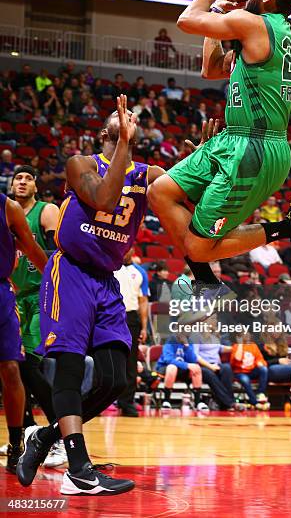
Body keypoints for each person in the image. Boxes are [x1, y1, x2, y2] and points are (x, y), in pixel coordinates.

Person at [148, 0, 291, 306]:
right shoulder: (265, 30)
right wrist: (222, 10)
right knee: (159, 191)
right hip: (233, 139)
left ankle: (290, 228)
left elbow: (187, 20)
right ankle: (205, 279)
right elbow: (211, 69)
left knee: (198, 248)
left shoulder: (258, 26)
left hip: (255, 149)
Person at [16, 96, 164, 495]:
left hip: (107, 279)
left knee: (116, 379)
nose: (128, 116)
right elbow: (104, 198)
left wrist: (205, 152)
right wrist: (126, 148)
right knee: (68, 367)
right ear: (105, 132)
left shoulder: (149, 174)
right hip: (73, 272)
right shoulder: (81, 164)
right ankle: (79, 470)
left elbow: (186, 188)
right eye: (120, 116)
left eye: (131, 115)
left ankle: (46, 437)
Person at [9, 166, 65, 467]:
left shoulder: (46, 211)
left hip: (39, 296)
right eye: (18, 177)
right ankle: (29, 433)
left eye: (28, 178)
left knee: (29, 365)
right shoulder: (6, 214)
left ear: (35, 186)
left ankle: (59, 436)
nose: (22, 181)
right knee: (12, 369)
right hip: (12, 298)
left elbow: (60, 251)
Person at [0, 192, 47, 473]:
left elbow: (31, 247)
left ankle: (16, 442)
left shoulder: (9, 207)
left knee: (10, 369)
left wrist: (56, 281)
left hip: (2, 293)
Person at [114, 247, 148, 416]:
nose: (125, 252)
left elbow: (143, 301)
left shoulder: (140, 272)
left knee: (131, 362)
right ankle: (100, 399)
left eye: (128, 250)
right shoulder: (110, 267)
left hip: (131, 317)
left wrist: (144, 326)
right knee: (108, 356)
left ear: (133, 251)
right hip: (111, 315)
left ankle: (127, 402)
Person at [155, 336, 208, 411]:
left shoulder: (189, 342)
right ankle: (166, 401)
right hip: (165, 368)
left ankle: (197, 402)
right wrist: (186, 365)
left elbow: (193, 360)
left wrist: (187, 346)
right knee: (172, 367)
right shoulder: (170, 341)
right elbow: (168, 360)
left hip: (182, 369)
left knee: (196, 368)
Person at [230, 333, 269, 410]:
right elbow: (237, 359)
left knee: (264, 369)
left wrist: (260, 363)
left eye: (248, 334)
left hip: (252, 371)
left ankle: (260, 393)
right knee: (245, 380)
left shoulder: (253, 346)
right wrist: (240, 344)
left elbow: (260, 359)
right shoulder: (236, 346)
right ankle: (254, 402)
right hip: (240, 372)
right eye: (244, 334)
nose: (247, 336)